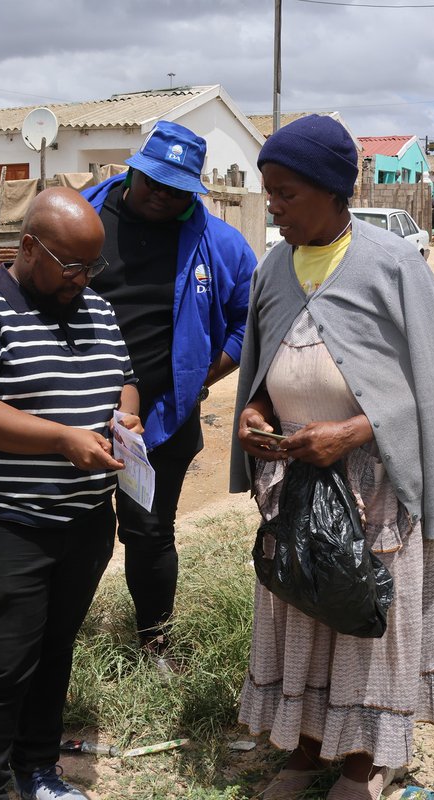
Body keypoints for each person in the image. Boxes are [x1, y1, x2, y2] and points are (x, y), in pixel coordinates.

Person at [228, 115, 434, 800]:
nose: (273, 206)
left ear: (335, 191)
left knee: (365, 611)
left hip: (373, 483)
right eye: (268, 192)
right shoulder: (274, 267)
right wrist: (255, 414)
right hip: (295, 480)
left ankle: (366, 762)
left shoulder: (393, 267)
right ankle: (305, 751)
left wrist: (355, 431)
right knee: (300, 601)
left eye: (287, 193)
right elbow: (258, 367)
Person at [0, 188, 141, 800]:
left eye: (91, 266)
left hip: (84, 519)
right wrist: (60, 441)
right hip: (3, 523)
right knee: (1, 666)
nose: (82, 278)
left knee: (54, 651)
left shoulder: (95, 308)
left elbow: (126, 380)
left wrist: (127, 419)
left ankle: (38, 767)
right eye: (71, 265)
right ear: (28, 247)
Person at [80, 121, 256, 670]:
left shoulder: (221, 245)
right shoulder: (79, 220)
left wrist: (200, 378)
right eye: (153, 182)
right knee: (74, 535)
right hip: (70, 413)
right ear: (133, 170)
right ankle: (55, 637)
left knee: (150, 533)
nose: (161, 195)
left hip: (160, 420)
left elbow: (248, 323)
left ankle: (154, 642)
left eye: (177, 188)